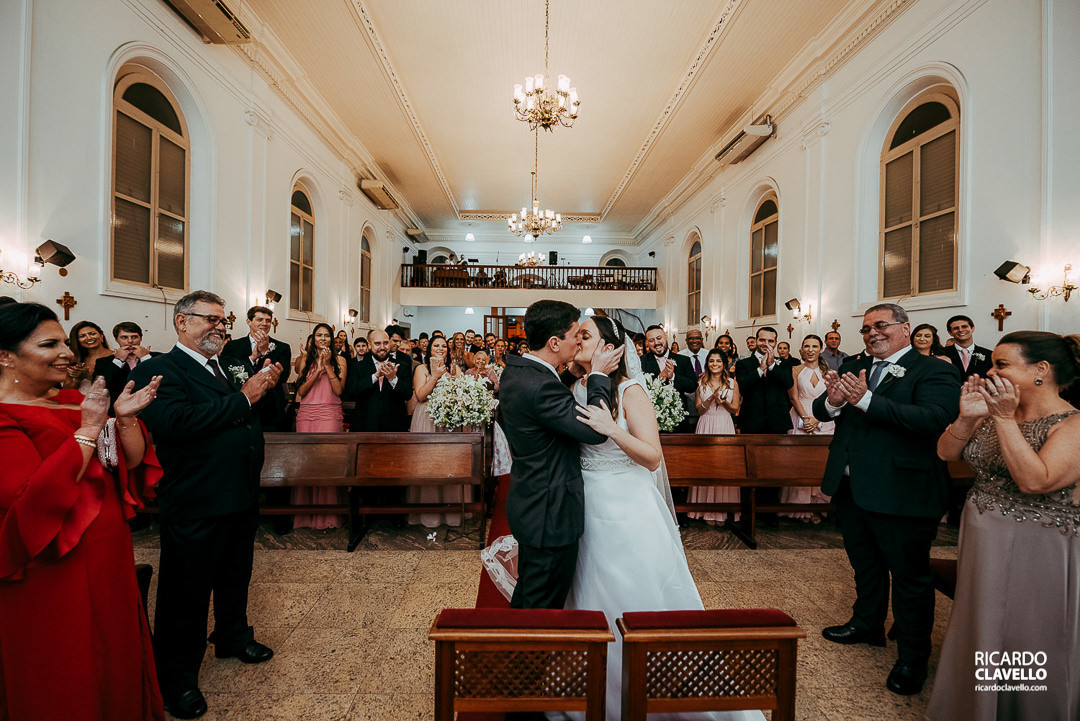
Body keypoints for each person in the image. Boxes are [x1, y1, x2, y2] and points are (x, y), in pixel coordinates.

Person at [562, 316, 763, 721]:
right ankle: (598, 691)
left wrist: (612, 430)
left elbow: (652, 456)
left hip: (627, 504)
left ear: (611, 348)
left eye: (586, 334)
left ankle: (656, 696)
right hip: (586, 505)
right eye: (575, 334)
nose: (575, 339)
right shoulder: (573, 386)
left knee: (637, 592)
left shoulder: (629, 389)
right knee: (590, 591)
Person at [0, 303, 164, 721]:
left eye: (63, 341)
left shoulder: (74, 399)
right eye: (49, 344)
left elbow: (126, 464)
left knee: (115, 649)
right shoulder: (4, 416)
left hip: (109, 551)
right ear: (5, 355)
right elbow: (28, 499)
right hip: (53, 565)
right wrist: (89, 430)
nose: (67, 353)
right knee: (68, 660)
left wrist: (124, 421)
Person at [130, 291, 283, 719]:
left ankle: (232, 636)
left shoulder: (227, 366)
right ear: (182, 322)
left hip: (239, 492)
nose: (219, 326)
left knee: (236, 574)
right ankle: (177, 680)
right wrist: (245, 397)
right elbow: (175, 424)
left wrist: (266, 386)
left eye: (222, 321)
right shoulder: (159, 369)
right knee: (186, 592)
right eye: (209, 319)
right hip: (197, 497)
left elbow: (248, 416)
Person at [927, 331, 1080, 721]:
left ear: (1041, 370)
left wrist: (1001, 418)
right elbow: (946, 452)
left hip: (1038, 547)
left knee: (1027, 633)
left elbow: (1036, 481)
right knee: (984, 627)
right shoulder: (997, 414)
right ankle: (978, 708)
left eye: (1001, 364)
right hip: (983, 539)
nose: (990, 371)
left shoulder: (1072, 425)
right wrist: (967, 416)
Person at [812, 303, 961, 697]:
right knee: (866, 565)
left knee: (910, 578)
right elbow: (822, 411)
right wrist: (833, 400)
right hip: (852, 487)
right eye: (865, 329)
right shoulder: (855, 366)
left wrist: (864, 401)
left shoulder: (936, 370)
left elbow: (931, 419)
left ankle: (913, 657)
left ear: (905, 328)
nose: (872, 333)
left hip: (903, 491)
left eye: (880, 325)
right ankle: (867, 624)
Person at [499, 300, 619, 610]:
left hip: (532, 498)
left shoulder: (518, 371)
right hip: (549, 512)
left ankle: (518, 652)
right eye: (575, 334)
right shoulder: (539, 386)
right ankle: (525, 658)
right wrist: (599, 377)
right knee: (541, 603)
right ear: (555, 342)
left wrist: (570, 375)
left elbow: (546, 400)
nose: (579, 341)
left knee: (531, 591)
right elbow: (596, 431)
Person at [291, 323, 347, 529]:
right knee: (306, 464)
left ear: (332, 339)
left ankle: (328, 517)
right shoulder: (305, 359)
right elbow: (302, 392)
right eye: (319, 335)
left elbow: (339, 390)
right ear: (313, 338)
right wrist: (317, 370)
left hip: (329, 413)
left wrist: (328, 366)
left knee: (327, 463)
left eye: (326, 335)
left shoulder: (340, 360)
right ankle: (305, 516)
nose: (323, 338)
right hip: (307, 414)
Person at [406, 336, 465, 526]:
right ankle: (427, 515)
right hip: (428, 418)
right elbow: (421, 395)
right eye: (436, 346)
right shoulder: (421, 369)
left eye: (443, 346)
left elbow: (462, 393)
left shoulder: (454, 369)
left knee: (449, 466)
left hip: (449, 420)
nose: (440, 349)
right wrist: (435, 376)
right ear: (429, 349)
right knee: (429, 465)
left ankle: (451, 514)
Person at [780, 335, 834, 521]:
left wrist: (817, 420)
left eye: (814, 346)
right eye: (807, 346)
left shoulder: (829, 371)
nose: (810, 349)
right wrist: (805, 419)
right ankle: (799, 508)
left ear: (821, 349)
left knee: (821, 465)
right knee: (799, 464)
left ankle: (818, 507)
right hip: (799, 415)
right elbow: (793, 397)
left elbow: (833, 400)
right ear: (801, 349)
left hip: (823, 420)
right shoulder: (795, 370)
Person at [688, 348, 741, 525]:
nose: (715, 364)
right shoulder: (701, 382)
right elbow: (699, 409)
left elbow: (735, 409)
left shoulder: (732, 383)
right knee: (704, 466)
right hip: (705, 424)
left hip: (724, 425)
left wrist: (723, 401)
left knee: (724, 466)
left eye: (718, 361)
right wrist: (710, 399)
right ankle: (703, 510)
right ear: (707, 363)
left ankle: (722, 511)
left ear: (724, 364)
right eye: (711, 361)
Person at [346, 328, 412, 432]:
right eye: (377, 344)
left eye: (385, 343)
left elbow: (408, 394)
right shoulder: (357, 366)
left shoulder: (402, 365)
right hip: (365, 425)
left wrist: (393, 379)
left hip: (394, 427)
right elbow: (351, 391)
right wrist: (375, 377)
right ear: (369, 344)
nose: (382, 347)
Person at [734, 326, 794, 434]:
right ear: (756, 340)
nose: (766, 344)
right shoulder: (743, 363)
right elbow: (741, 386)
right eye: (762, 340)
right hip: (751, 420)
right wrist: (760, 370)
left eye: (770, 341)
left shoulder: (784, 363)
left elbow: (788, 383)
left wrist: (772, 366)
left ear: (776, 343)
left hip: (778, 421)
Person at [641, 325, 697, 431]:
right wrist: (659, 378)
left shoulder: (683, 360)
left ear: (666, 337)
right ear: (647, 343)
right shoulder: (641, 362)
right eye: (651, 340)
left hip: (679, 422)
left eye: (659, 338)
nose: (656, 343)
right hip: (651, 422)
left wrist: (673, 377)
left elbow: (692, 385)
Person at [93, 321, 160, 405]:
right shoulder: (103, 362)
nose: (130, 341)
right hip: (119, 408)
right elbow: (99, 388)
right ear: (116, 339)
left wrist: (145, 358)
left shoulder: (159, 357)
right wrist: (118, 361)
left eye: (134, 337)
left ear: (141, 338)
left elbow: (166, 381)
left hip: (153, 406)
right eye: (124, 337)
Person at [64, 320, 112, 390]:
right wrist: (77, 380)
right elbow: (66, 391)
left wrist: (87, 375)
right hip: (81, 399)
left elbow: (116, 385)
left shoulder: (117, 357)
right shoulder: (75, 360)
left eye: (92, 334)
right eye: (82, 336)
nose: (89, 338)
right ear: (77, 341)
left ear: (101, 336)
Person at [942, 314, 993, 380]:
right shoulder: (942, 354)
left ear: (972, 328)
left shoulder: (989, 355)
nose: (960, 330)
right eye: (956, 328)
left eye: (964, 326)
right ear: (950, 333)